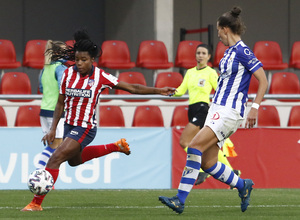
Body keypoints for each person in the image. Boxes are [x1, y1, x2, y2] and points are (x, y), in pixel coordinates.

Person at [21, 29, 175, 211]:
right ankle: (115, 146)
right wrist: (53, 128)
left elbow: (132, 88)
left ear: (92, 60)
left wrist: (158, 91)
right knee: (73, 161)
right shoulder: (67, 75)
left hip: (86, 128)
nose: (79, 63)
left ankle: (35, 203)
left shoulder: (100, 76)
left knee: (55, 159)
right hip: (69, 125)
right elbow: (60, 103)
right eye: (77, 59)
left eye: (83, 60)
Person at [159, 6, 268, 214]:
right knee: (209, 163)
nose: (218, 36)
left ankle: (180, 200)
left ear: (226, 29)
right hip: (217, 109)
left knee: (193, 146)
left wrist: (255, 107)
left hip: (229, 111)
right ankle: (242, 185)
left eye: (219, 31)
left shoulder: (243, 51)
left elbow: (263, 80)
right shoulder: (228, 53)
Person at [173, 44, 240, 186]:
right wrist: (167, 91)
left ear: (209, 56)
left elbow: (219, 91)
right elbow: (180, 90)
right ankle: (233, 173)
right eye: (198, 53)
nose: (200, 55)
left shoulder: (210, 73)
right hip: (192, 110)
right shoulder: (190, 72)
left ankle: (202, 168)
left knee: (185, 141)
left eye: (204, 53)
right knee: (208, 147)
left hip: (203, 110)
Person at [35, 40, 68, 170]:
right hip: (56, 111)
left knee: (54, 145)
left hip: (44, 110)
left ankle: (44, 174)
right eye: (64, 51)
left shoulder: (45, 68)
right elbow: (63, 87)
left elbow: (42, 88)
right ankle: (40, 169)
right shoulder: (60, 68)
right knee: (57, 144)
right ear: (57, 53)